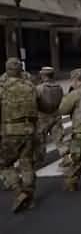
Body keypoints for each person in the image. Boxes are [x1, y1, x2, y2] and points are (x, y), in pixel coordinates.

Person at [0, 58, 38, 212]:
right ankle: (29, 196)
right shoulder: (30, 86)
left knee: (4, 164)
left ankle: (19, 190)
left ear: (7, 70)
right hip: (29, 130)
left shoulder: (2, 87)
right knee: (27, 163)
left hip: (10, 131)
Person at [35, 67, 65, 168]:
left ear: (43, 76)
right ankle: (66, 158)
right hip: (56, 115)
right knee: (59, 139)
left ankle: (39, 161)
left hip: (43, 117)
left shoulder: (39, 88)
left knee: (40, 140)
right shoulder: (59, 87)